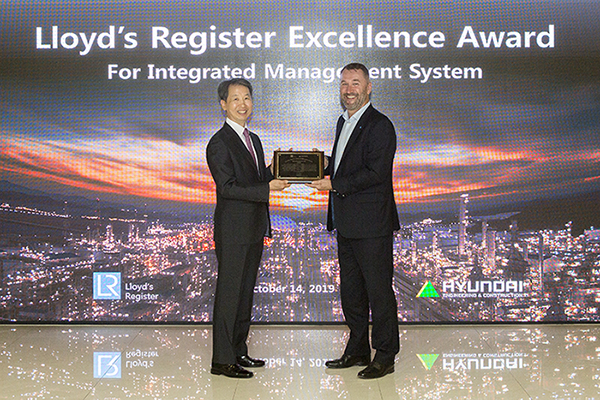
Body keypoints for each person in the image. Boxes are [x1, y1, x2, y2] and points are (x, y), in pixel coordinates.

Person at [307, 63, 400, 379]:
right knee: (352, 293)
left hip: (372, 225)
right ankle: (358, 350)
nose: (349, 89)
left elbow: (375, 173)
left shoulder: (380, 125)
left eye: (355, 83)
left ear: (368, 87)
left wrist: (333, 183)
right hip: (346, 224)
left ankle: (385, 355)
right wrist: (319, 164)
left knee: (379, 293)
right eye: (344, 83)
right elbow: (346, 165)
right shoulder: (343, 122)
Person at [206, 78, 290, 378]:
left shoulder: (253, 139)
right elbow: (227, 187)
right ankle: (222, 360)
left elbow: (253, 180)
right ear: (223, 104)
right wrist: (269, 189)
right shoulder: (219, 142)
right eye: (235, 99)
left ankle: (239, 350)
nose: (242, 104)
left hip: (254, 228)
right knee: (229, 295)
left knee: (244, 294)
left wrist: (275, 170)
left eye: (247, 98)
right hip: (233, 230)